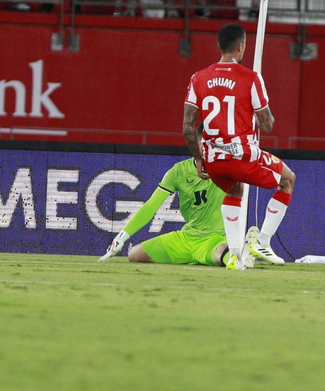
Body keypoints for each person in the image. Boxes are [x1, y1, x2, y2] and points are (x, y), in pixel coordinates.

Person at [182, 23, 295, 268]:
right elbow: (267, 125)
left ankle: (234, 255)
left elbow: (188, 127)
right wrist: (259, 111)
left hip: (213, 161)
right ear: (241, 46)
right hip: (242, 157)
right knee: (288, 180)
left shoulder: (198, 78)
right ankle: (262, 242)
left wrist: (199, 157)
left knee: (234, 191)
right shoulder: (251, 78)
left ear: (220, 46)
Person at [98, 156, 230, 266]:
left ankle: (238, 253)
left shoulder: (228, 167)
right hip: (186, 238)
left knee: (222, 254)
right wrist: (121, 237)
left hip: (214, 239)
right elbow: (151, 206)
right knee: (135, 254)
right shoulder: (179, 171)